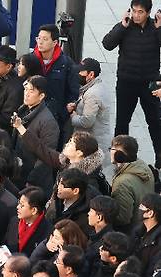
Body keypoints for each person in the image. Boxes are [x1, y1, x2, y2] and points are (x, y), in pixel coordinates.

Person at [103, 0, 161, 167]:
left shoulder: (155, 27)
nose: (136, 15)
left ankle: (159, 156)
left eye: (140, 12)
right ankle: (120, 157)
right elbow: (107, 44)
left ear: (148, 12)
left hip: (151, 81)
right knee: (122, 121)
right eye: (134, 11)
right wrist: (121, 26)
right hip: (126, 81)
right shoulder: (125, 26)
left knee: (155, 120)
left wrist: (159, 29)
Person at [12, 75, 60, 195]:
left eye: (31, 91)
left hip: (34, 182)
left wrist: (31, 180)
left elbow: (46, 156)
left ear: (41, 96)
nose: (26, 94)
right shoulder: (22, 110)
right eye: (26, 89)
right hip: (18, 171)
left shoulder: (48, 122)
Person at [32, 24, 79, 127]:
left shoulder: (66, 64)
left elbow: (73, 91)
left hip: (55, 117)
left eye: (45, 39)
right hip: (31, 115)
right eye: (38, 38)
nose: (40, 42)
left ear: (55, 42)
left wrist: (63, 112)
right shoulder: (30, 61)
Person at [69, 58, 111, 163]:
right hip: (95, 142)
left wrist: (73, 116)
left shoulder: (93, 93)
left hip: (92, 146)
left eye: (81, 71)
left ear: (91, 74)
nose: (78, 73)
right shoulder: (97, 87)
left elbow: (87, 121)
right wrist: (78, 105)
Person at [109, 134, 154, 227]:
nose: (110, 152)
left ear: (119, 155)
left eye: (112, 149)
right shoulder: (143, 166)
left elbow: (123, 219)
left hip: (131, 231)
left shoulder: (122, 183)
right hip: (143, 223)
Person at [5, 186, 53, 257]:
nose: (17, 207)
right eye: (19, 203)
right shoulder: (14, 221)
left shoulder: (47, 232)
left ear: (34, 210)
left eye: (22, 205)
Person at [134, 193, 161, 277]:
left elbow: (150, 274)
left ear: (150, 213)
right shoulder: (138, 231)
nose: (139, 208)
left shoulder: (158, 242)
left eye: (142, 207)